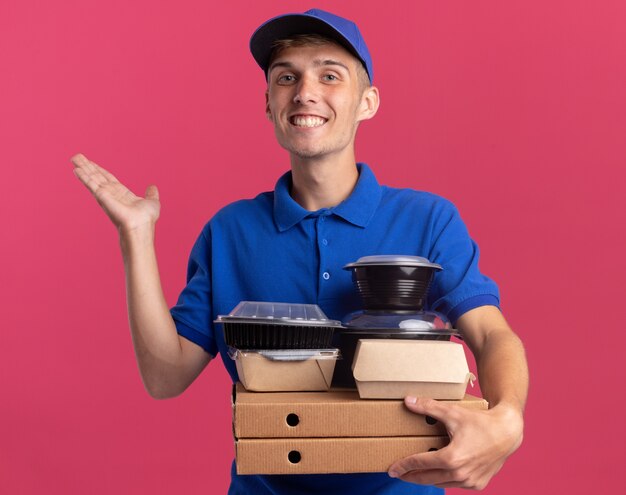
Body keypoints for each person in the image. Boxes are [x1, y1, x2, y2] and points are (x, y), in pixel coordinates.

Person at [71, 8, 528, 494]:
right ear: (269, 103)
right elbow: (165, 377)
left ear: (367, 102)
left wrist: (507, 420)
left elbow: (491, 334)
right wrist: (136, 237)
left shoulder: (428, 220)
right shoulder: (230, 231)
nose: (305, 92)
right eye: (286, 77)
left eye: (330, 75)